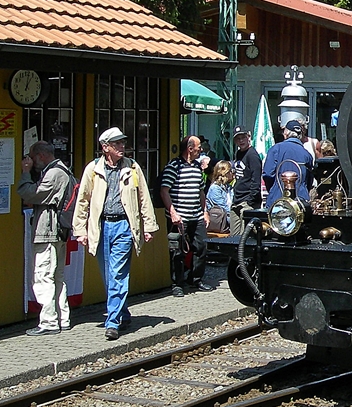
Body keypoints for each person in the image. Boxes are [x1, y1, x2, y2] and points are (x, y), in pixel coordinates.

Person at [73, 128, 159, 340]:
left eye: (123, 143)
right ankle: (123, 311)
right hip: (101, 227)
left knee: (118, 274)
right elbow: (82, 200)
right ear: (105, 148)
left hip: (124, 227)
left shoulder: (132, 167)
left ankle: (112, 322)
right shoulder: (93, 169)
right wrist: (80, 230)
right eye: (117, 144)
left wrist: (149, 226)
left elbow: (143, 198)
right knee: (107, 274)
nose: (122, 147)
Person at [17, 141, 74, 336]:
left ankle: (49, 321)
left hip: (48, 231)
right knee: (57, 276)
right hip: (58, 231)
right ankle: (62, 318)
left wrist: (25, 173)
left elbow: (29, 193)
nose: (31, 162)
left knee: (43, 275)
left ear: (41, 156)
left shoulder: (54, 174)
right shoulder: (63, 170)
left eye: (33, 158)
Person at [160, 135, 214, 297]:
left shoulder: (197, 167)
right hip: (179, 217)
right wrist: (173, 212)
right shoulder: (174, 166)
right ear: (190, 149)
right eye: (198, 147)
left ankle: (195, 279)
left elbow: (201, 191)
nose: (201, 149)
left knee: (201, 247)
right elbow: (164, 191)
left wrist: (205, 212)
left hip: (196, 215)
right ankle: (177, 283)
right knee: (177, 251)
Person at [263, 119, 314, 208]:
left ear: (286, 133)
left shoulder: (276, 149)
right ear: (300, 136)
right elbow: (309, 180)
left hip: (278, 201)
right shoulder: (307, 154)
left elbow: (268, 174)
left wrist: (275, 189)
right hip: (300, 202)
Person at [230, 125, 263, 229]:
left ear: (248, 137)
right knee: (233, 237)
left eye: (243, 137)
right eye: (238, 139)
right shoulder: (238, 153)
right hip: (236, 200)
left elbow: (256, 180)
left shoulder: (252, 155)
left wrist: (250, 201)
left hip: (247, 202)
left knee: (245, 237)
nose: (241, 141)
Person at [206, 160, 235, 235]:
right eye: (231, 171)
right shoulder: (215, 188)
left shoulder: (229, 187)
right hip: (219, 220)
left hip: (228, 218)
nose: (233, 173)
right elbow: (223, 208)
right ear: (224, 173)